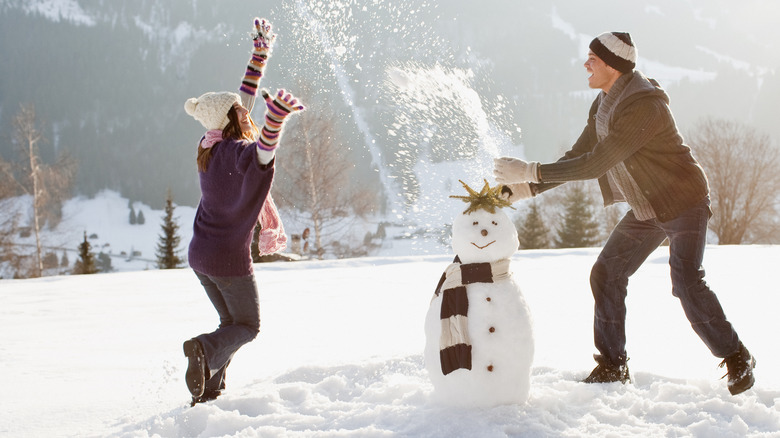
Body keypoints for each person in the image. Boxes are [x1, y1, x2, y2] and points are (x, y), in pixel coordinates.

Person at [493, 32, 756, 395]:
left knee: (685, 280)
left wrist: (531, 170)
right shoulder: (603, 104)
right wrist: (529, 188)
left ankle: (738, 356)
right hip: (647, 206)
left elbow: (598, 163)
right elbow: (579, 155)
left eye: (593, 59)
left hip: (684, 202)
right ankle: (612, 366)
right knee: (606, 273)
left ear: (613, 66)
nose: (585, 63)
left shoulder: (644, 107)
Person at [181, 17, 304, 406]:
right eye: (239, 110)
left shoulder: (210, 146)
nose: (243, 110)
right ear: (233, 119)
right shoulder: (237, 154)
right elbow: (263, 155)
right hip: (227, 260)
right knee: (248, 326)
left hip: (200, 256)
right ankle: (202, 349)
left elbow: (243, 102)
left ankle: (209, 389)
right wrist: (276, 120)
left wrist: (259, 55)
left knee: (229, 325)